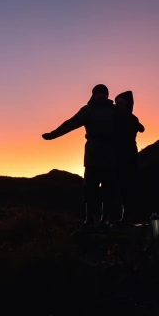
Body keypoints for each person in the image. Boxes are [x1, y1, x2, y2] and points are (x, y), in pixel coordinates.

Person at [42, 84, 117, 229]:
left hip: (111, 156)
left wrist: (137, 126)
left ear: (107, 95)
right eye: (99, 93)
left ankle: (105, 219)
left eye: (104, 93)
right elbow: (71, 123)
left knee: (108, 190)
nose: (102, 96)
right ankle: (89, 219)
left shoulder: (114, 110)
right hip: (93, 155)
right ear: (94, 95)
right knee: (90, 189)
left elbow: (127, 120)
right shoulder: (87, 110)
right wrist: (53, 134)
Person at [112, 90, 145, 226]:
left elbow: (141, 128)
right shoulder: (120, 117)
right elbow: (141, 128)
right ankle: (123, 216)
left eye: (121, 103)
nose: (118, 105)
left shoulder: (129, 119)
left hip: (129, 155)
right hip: (119, 155)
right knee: (120, 186)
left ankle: (127, 216)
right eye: (117, 103)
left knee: (128, 186)